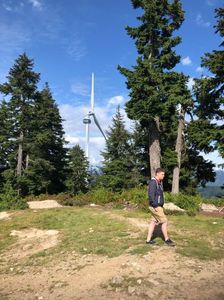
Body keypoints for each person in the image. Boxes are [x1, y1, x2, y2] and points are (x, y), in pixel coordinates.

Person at [146, 168, 175, 246]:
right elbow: (151, 195)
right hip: (156, 206)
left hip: (156, 206)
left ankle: (148, 240)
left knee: (153, 222)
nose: (164, 176)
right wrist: (155, 205)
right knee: (164, 221)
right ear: (157, 174)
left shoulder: (158, 182)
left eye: (164, 174)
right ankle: (167, 240)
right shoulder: (153, 182)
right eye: (162, 174)